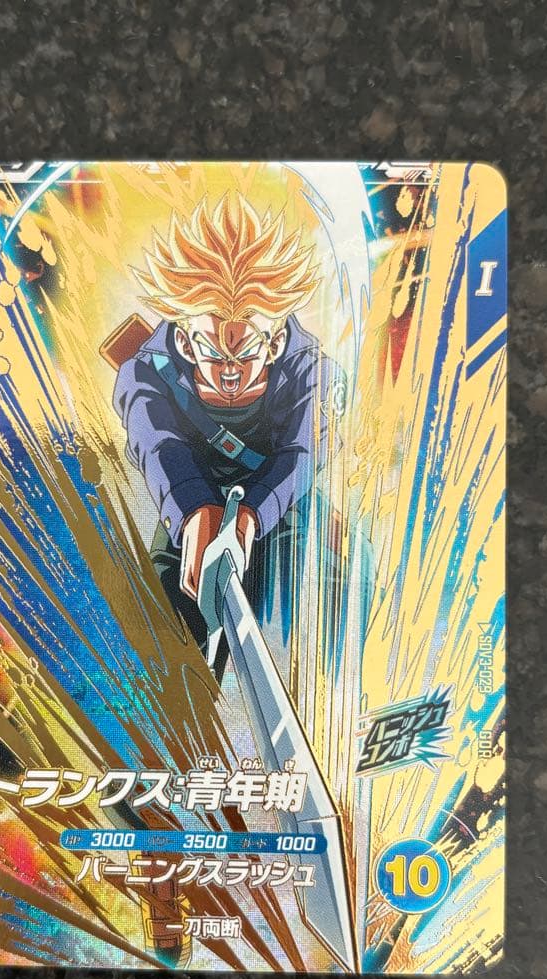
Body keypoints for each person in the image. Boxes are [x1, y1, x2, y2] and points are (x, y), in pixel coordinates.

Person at [113, 192, 343, 676]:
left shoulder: (314, 375)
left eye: (247, 353)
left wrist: (252, 517)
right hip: (189, 514)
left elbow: (303, 451)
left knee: (330, 589)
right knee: (164, 622)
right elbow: (158, 443)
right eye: (214, 354)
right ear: (183, 340)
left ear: (275, 342)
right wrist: (194, 510)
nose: (231, 372)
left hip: (282, 511)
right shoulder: (146, 373)